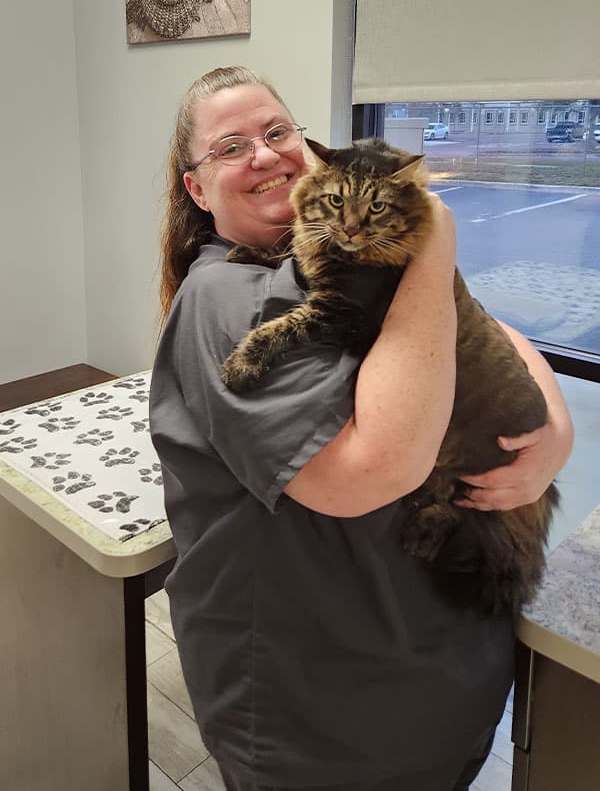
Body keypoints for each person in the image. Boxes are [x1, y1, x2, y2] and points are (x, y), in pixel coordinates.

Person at [149, 66, 573, 791]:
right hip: (330, 716)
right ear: (196, 188)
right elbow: (374, 469)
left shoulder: (334, 253)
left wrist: (554, 433)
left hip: (437, 667)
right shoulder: (227, 296)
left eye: (277, 131)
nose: (264, 153)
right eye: (229, 147)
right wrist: (434, 235)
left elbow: (474, 333)